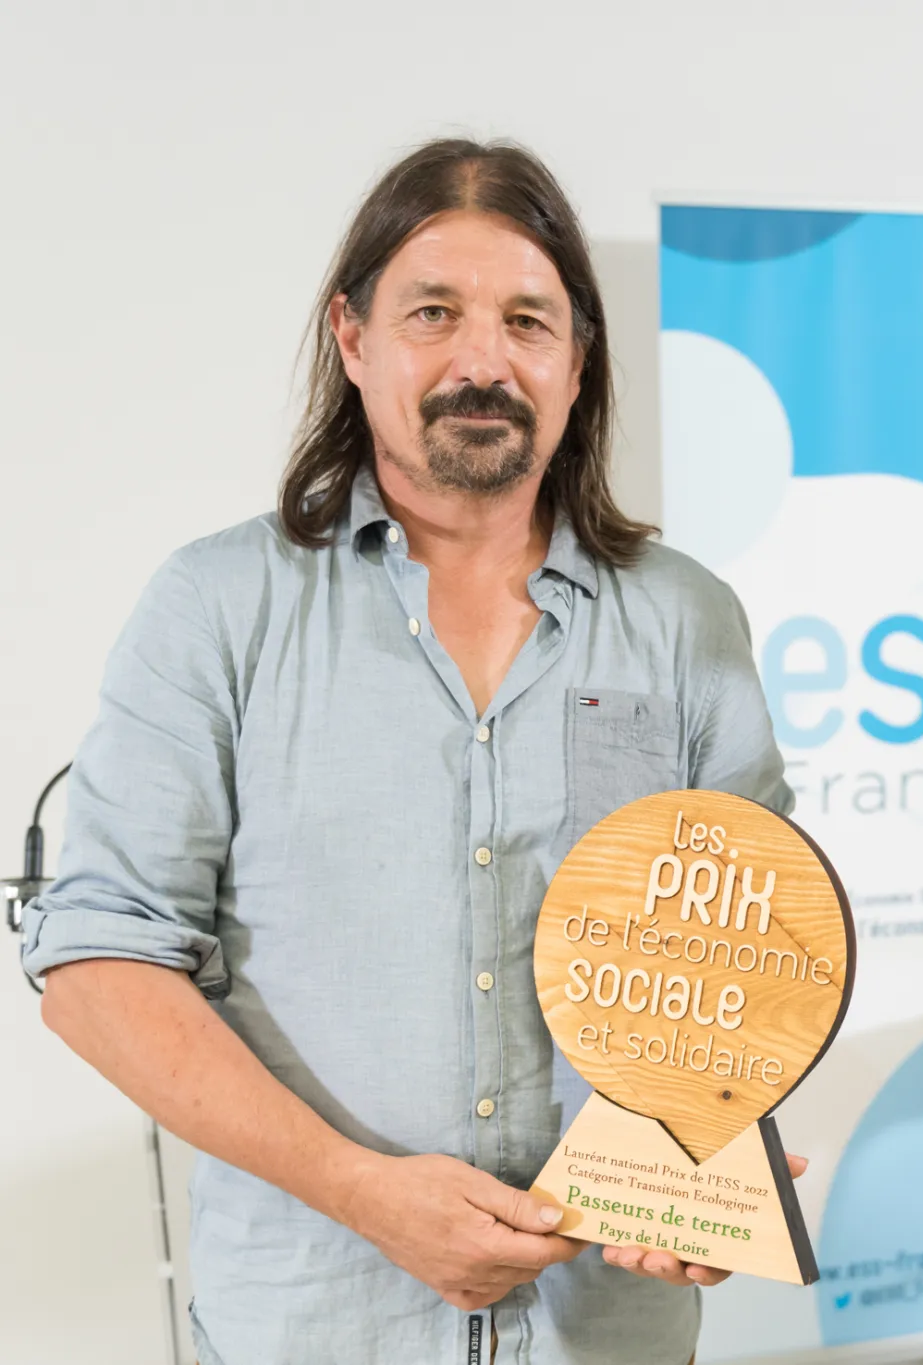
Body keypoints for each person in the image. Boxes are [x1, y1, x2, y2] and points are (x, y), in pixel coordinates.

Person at [24, 139, 794, 1364]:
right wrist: (361, 1191)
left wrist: (705, 1154)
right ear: (352, 338)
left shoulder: (685, 619)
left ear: (577, 360)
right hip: (316, 1323)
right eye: (433, 314)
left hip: (606, 1328)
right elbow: (98, 965)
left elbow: (748, 957)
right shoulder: (216, 608)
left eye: (527, 321)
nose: (481, 361)